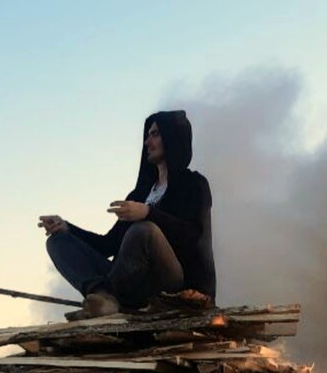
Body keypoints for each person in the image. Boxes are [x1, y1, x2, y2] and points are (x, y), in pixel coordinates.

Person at [39, 110, 215, 318]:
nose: (147, 142)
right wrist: (68, 228)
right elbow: (107, 245)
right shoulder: (140, 193)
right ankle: (104, 297)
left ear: (173, 137)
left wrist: (148, 212)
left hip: (173, 284)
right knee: (57, 242)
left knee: (144, 231)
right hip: (129, 283)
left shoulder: (194, 184)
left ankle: (112, 297)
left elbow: (194, 235)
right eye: (147, 135)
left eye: (155, 134)